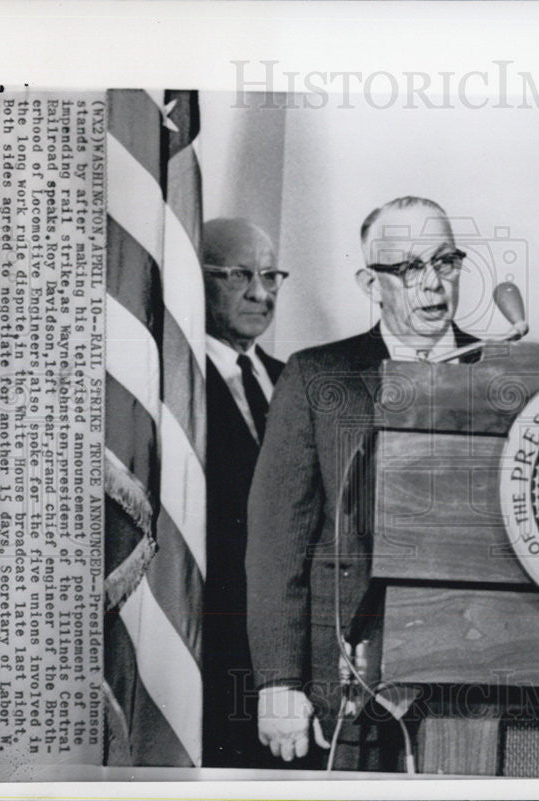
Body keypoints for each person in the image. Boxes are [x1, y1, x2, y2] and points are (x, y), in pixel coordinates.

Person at [245, 196, 479, 769]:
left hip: (473, 675)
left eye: (445, 263)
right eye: (407, 269)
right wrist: (279, 681)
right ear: (370, 282)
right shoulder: (318, 377)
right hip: (348, 678)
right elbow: (277, 543)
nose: (431, 286)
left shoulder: (504, 375)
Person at [201, 218, 286, 768]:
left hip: (286, 652)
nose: (261, 292)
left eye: (271, 275)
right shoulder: (168, 387)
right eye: (238, 275)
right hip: (207, 643)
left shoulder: (294, 378)